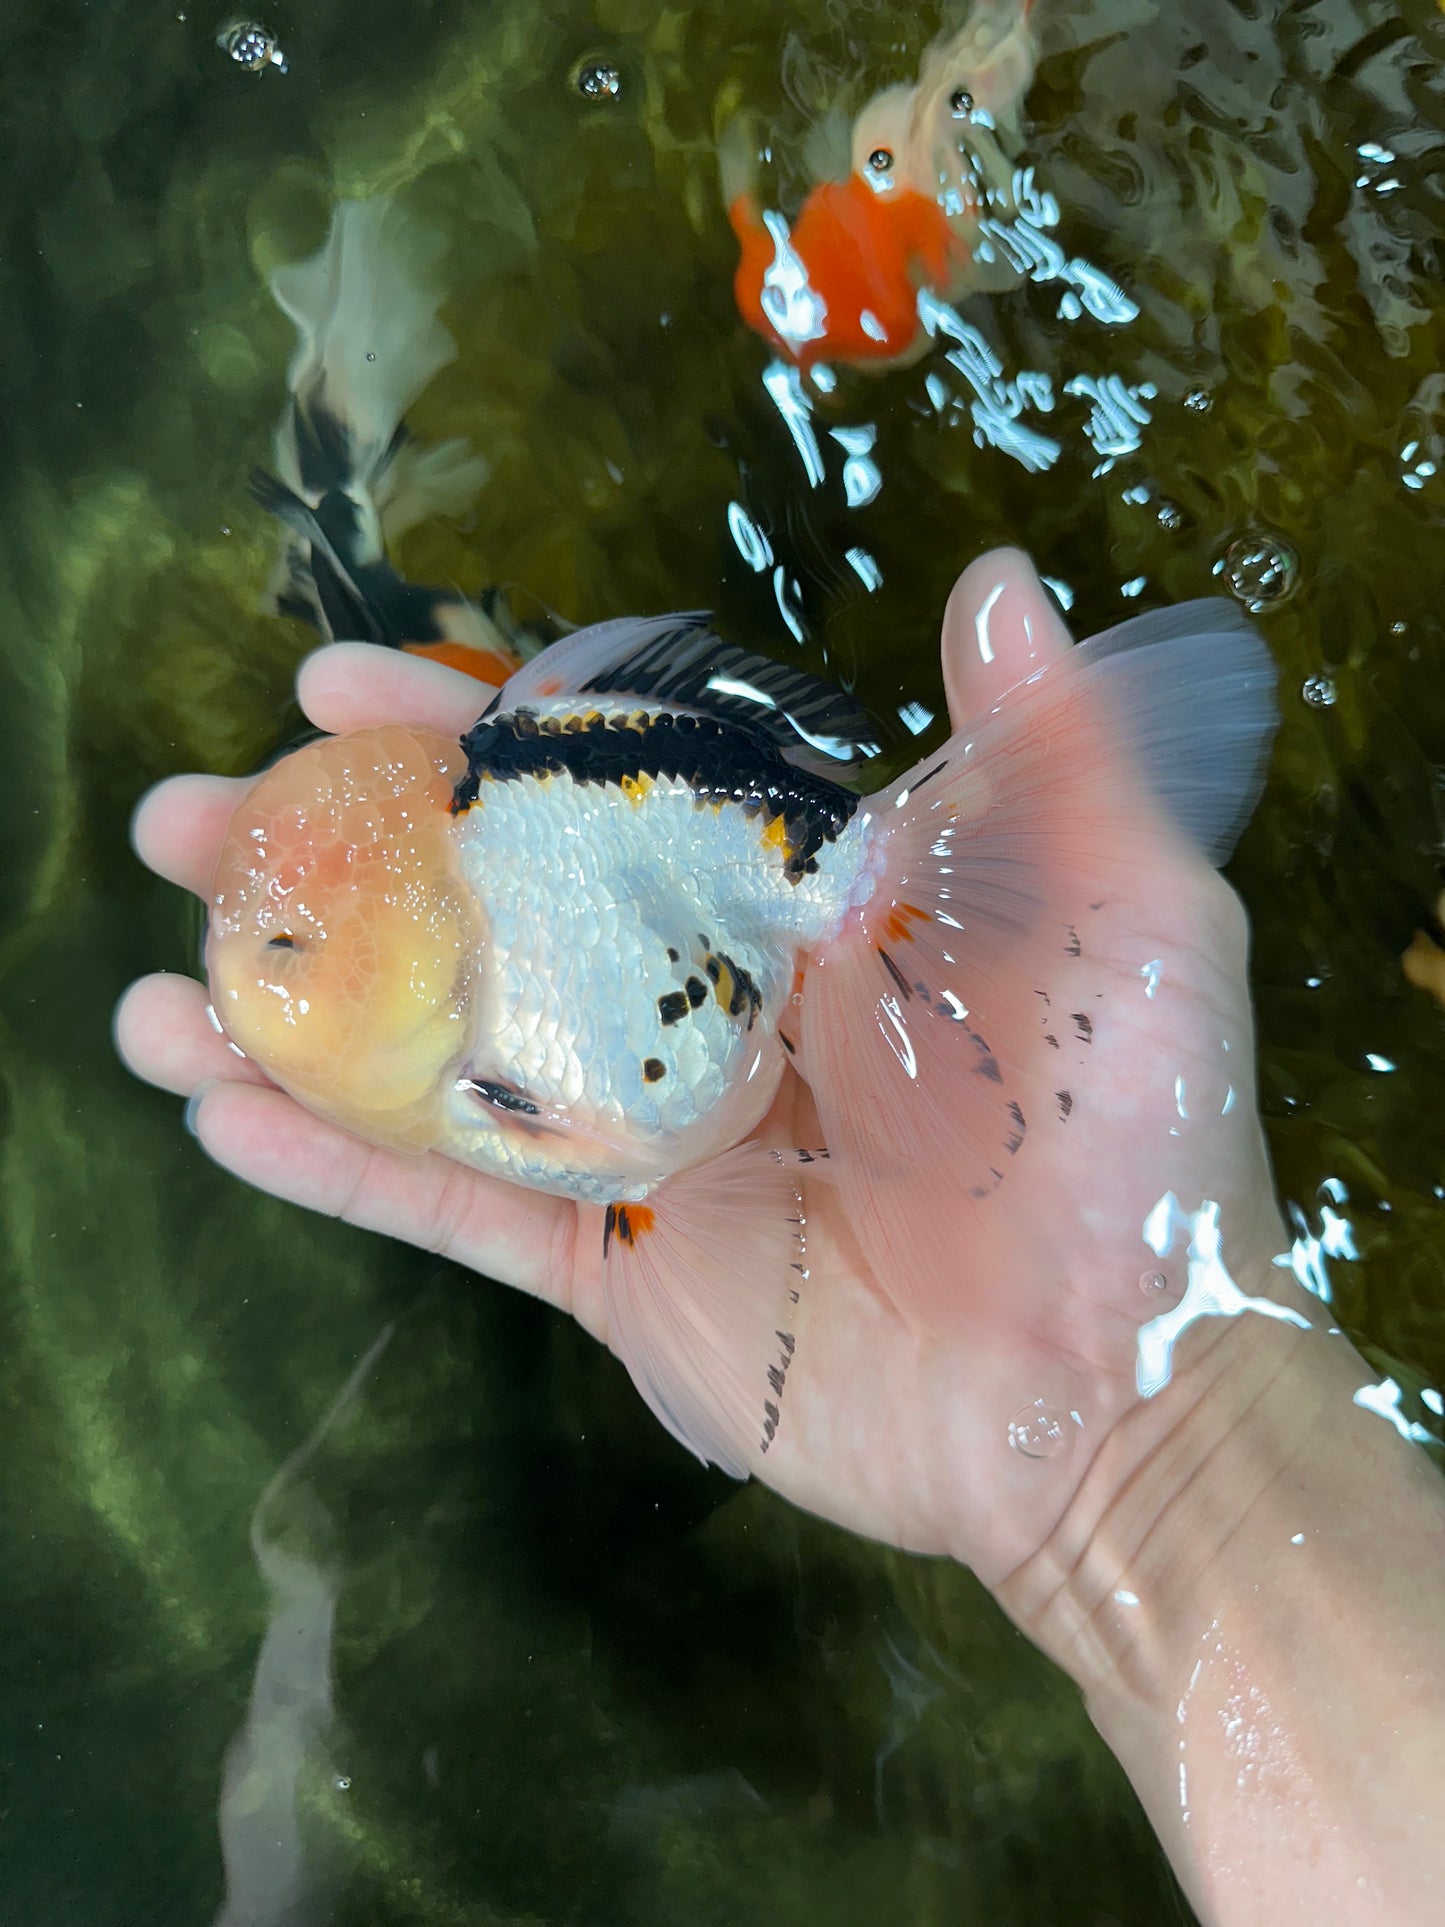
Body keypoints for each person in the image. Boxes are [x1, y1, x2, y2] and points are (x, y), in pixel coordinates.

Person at [115, 552, 1445, 1925]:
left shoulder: (502, 1012)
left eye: (284, 944)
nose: (247, 961)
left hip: (725, 918)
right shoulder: (478, 943)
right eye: (273, 937)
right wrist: (1149, 1452)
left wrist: (1133, 1414)